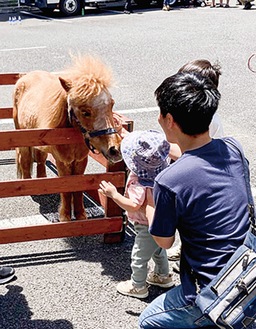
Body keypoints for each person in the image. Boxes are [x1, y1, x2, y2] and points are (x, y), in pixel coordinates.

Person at [138, 71, 250, 328]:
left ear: (169, 119)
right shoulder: (233, 148)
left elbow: (164, 242)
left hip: (214, 291)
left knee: (149, 321)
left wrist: (150, 203)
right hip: (248, 270)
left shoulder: (169, 181)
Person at [98, 130, 174, 299]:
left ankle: (138, 285)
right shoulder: (162, 174)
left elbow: (133, 205)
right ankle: (163, 276)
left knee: (139, 256)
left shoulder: (140, 183)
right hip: (161, 224)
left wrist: (114, 195)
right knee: (158, 250)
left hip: (145, 226)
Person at [167, 59, 224, 263]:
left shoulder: (208, 122)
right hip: (197, 174)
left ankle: (189, 256)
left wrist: (161, 146)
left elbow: (187, 155)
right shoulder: (196, 115)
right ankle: (184, 248)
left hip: (202, 177)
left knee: (195, 220)